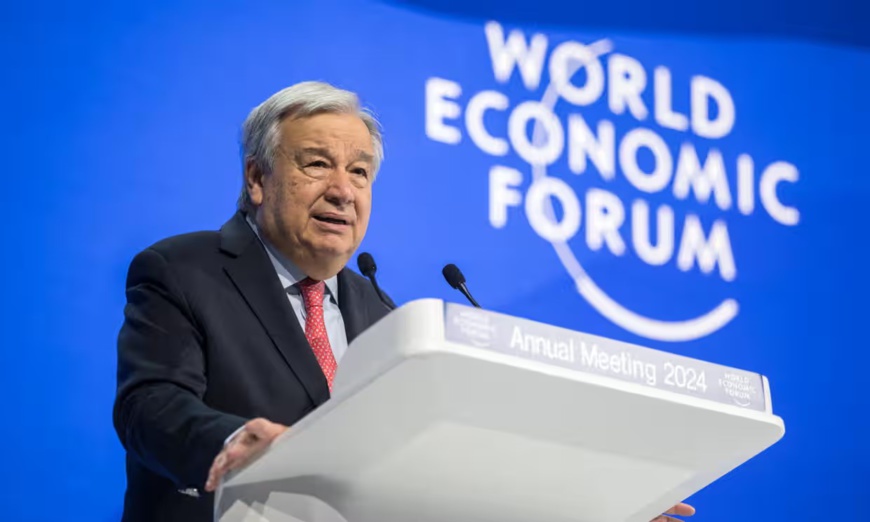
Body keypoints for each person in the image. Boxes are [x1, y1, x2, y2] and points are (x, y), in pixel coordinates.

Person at [113, 81, 695, 522]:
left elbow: (448, 465)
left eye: (360, 172)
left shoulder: (388, 319)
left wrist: (592, 508)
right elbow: (151, 406)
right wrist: (230, 440)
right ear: (257, 178)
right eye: (317, 163)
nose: (343, 189)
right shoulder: (184, 270)